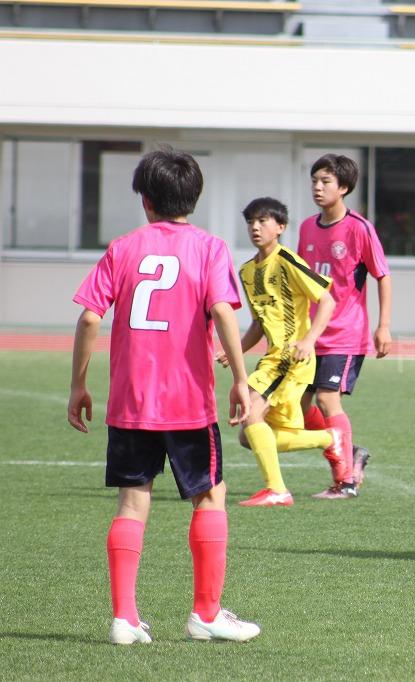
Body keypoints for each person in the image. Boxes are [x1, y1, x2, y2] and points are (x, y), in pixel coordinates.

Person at [67, 148, 261, 645]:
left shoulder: (123, 247)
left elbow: (89, 317)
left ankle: (124, 619)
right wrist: (241, 379)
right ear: (193, 198)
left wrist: (78, 385)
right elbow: (223, 311)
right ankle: (206, 614)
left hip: (131, 400)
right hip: (188, 400)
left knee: (132, 503)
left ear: (146, 200)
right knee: (210, 496)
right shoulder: (210, 247)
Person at [227, 197, 343, 507]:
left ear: (280, 227)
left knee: (252, 415)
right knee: (248, 435)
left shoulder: (287, 260)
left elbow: (327, 301)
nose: (255, 227)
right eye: (250, 221)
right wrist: (236, 350)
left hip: (292, 358)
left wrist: (308, 340)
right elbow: (258, 323)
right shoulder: (247, 271)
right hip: (271, 360)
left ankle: (277, 490)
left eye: (262, 221)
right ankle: (329, 438)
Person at [298, 153, 391, 499]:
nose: (318, 187)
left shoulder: (359, 228)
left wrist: (384, 325)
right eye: (314, 181)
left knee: (326, 399)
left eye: (326, 181)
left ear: (344, 188)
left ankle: (346, 481)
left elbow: (383, 276)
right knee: (297, 410)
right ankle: (350, 454)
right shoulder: (307, 227)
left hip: (345, 334)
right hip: (311, 335)